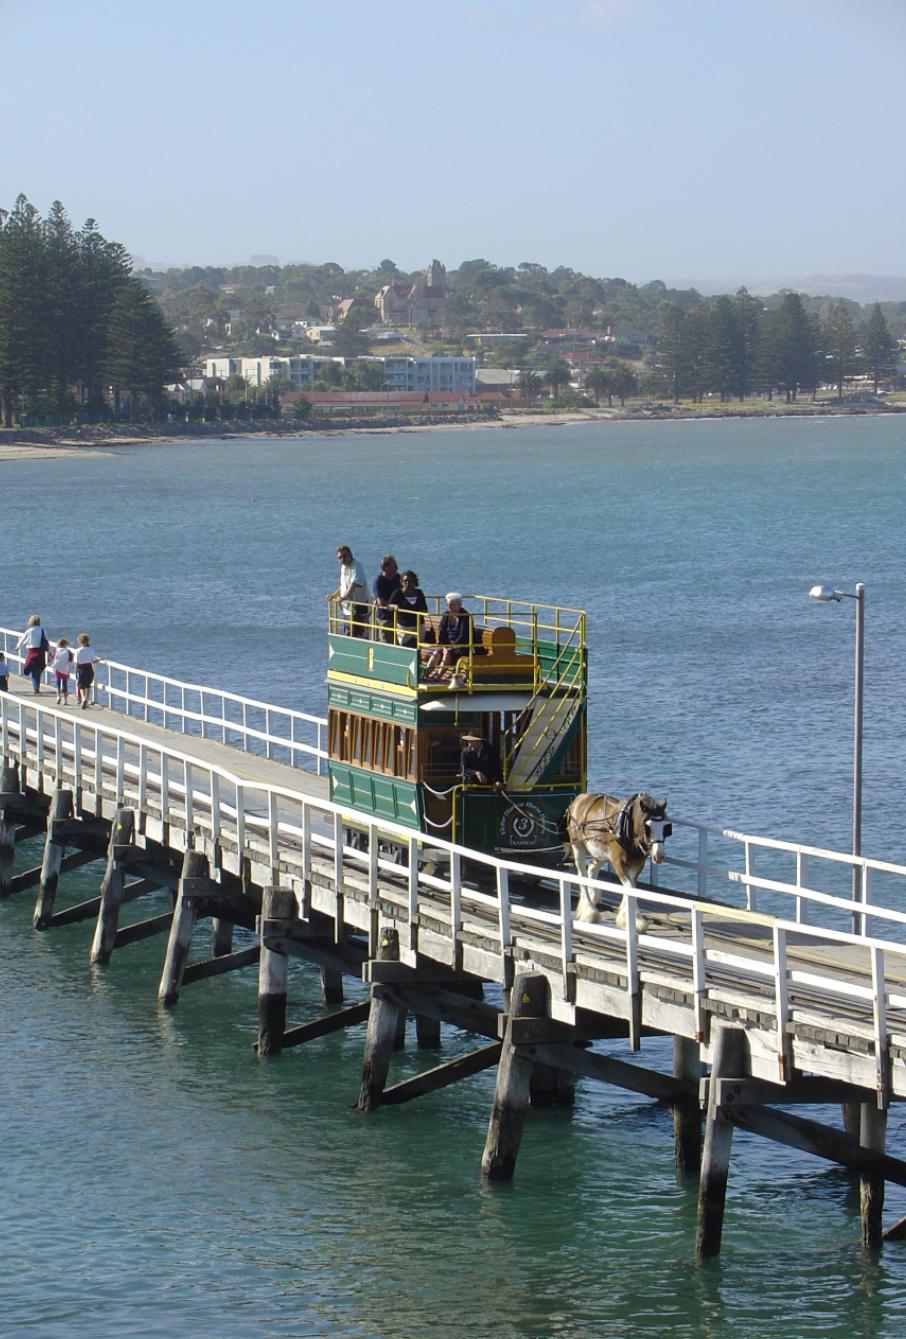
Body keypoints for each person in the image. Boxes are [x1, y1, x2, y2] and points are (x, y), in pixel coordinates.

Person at [326, 544, 368, 638]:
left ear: (350, 555)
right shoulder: (343, 567)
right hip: (347, 608)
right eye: (339, 557)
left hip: (359, 606)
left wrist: (345, 597)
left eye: (344, 556)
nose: (342, 559)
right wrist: (333, 595)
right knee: (349, 630)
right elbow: (344, 586)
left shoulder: (357, 566)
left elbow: (354, 584)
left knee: (357, 633)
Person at [428, 592, 474, 677]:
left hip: (461, 646)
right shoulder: (446, 615)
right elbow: (442, 632)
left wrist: (451, 646)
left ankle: (438, 676)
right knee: (436, 653)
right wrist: (444, 645)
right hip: (448, 645)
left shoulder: (466, 617)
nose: (449, 607)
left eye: (452, 604)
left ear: (459, 605)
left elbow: (463, 636)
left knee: (447, 653)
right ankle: (426, 674)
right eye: (448, 604)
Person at [388, 569, 429, 647]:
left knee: (419, 646)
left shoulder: (419, 593)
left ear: (414, 582)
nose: (407, 583)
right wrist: (394, 606)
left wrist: (422, 611)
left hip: (418, 626)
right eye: (405, 581)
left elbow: (424, 608)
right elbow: (388, 606)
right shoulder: (398, 593)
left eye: (409, 581)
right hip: (404, 627)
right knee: (406, 646)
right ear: (402, 582)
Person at [16, 614, 49, 694]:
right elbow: (46, 640)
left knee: (30, 668)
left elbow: (23, 640)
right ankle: (36, 688)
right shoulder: (42, 630)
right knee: (38, 671)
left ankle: (35, 687)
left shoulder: (29, 631)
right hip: (40, 652)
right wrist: (49, 650)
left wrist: (18, 647)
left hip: (31, 652)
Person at [372, 554, 401, 643]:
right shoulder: (379, 582)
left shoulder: (398, 578)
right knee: (387, 643)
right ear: (386, 568)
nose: (397, 568)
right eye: (394, 566)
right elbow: (380, 602)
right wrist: (393, 606)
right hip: (385, 618)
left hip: (399, 618)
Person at [75, 632, 104, 709]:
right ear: (88, 641)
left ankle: (83, 698)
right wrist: (99, 659)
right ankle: (87, 700)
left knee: (81, 685)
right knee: (88, 685)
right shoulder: (91, 650)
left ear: (79, 642)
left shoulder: (77, 650)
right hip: (89, 668)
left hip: (81, 668)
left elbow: (76, 661)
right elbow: (93, 660)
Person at [50, 637, 74, 705]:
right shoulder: (68, 651)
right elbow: (70, 660)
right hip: (65, 670)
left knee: (58, 684)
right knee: (65, 685)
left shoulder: (56, 650)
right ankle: (65, 700)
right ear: (65, 644)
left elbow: (52, 658)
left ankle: (58, 697)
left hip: (57, 669)